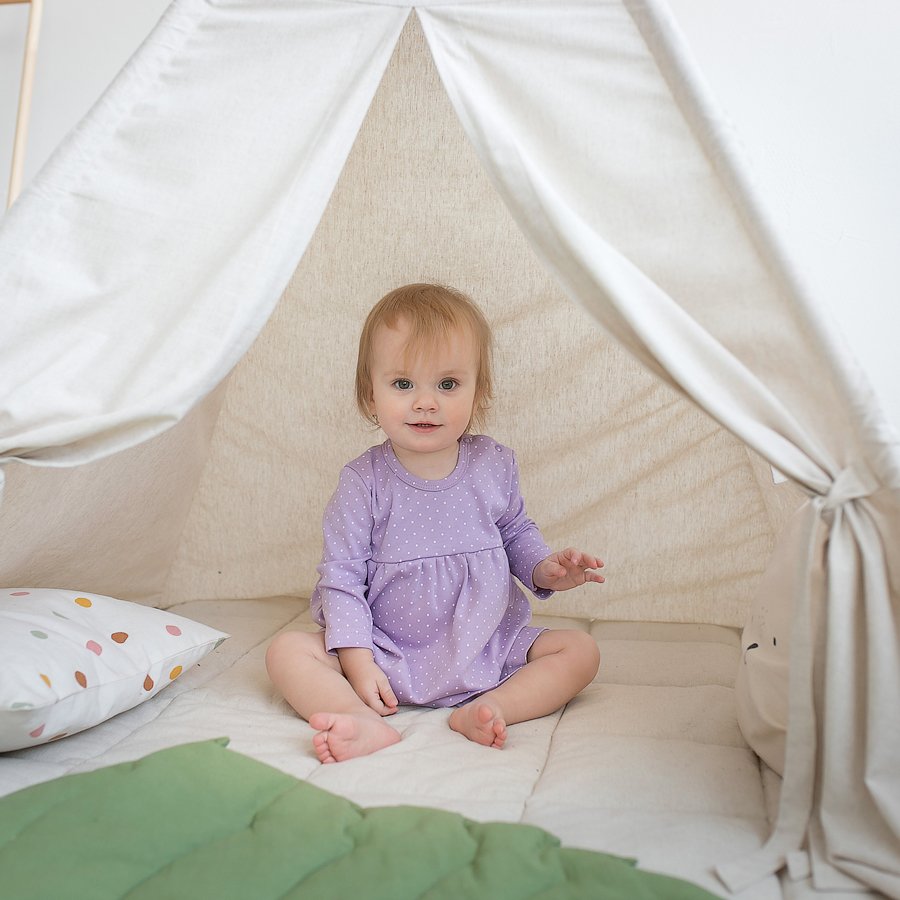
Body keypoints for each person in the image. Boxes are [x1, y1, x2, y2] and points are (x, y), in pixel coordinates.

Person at [266, 283, 604, 763]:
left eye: (447, 385)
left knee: (581, 651)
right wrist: (358, 662)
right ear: (370, 394)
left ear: (477, 393)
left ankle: (493, 708)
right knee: (286, 651)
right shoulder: (364, 481)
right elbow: (341, 577)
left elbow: (514, 532)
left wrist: (545, 570)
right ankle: (358, 719)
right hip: (385, 650)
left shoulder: (493, 464)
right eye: (403, 384)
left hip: (485, 643)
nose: (426, 402)